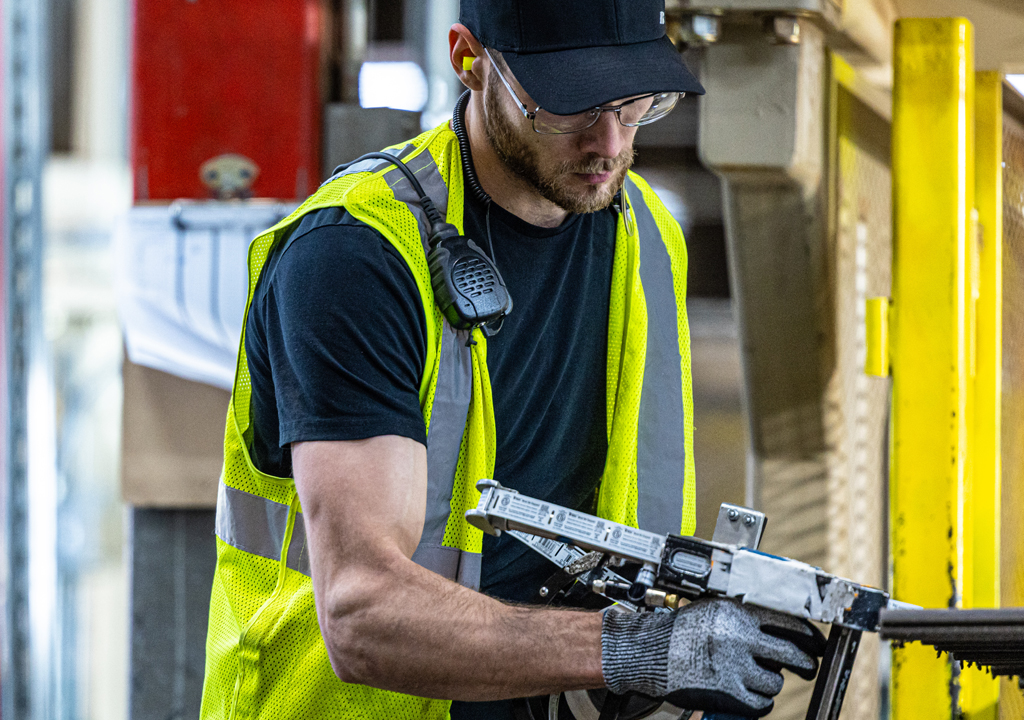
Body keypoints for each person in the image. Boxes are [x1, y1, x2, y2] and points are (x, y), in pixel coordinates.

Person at [200, 1, 826, 718]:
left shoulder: (647, 237)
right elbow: (362, 613)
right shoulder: (353, 257)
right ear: (469, 60)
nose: (608, 142)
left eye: (635, 105)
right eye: (568, 108)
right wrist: (638, 648)